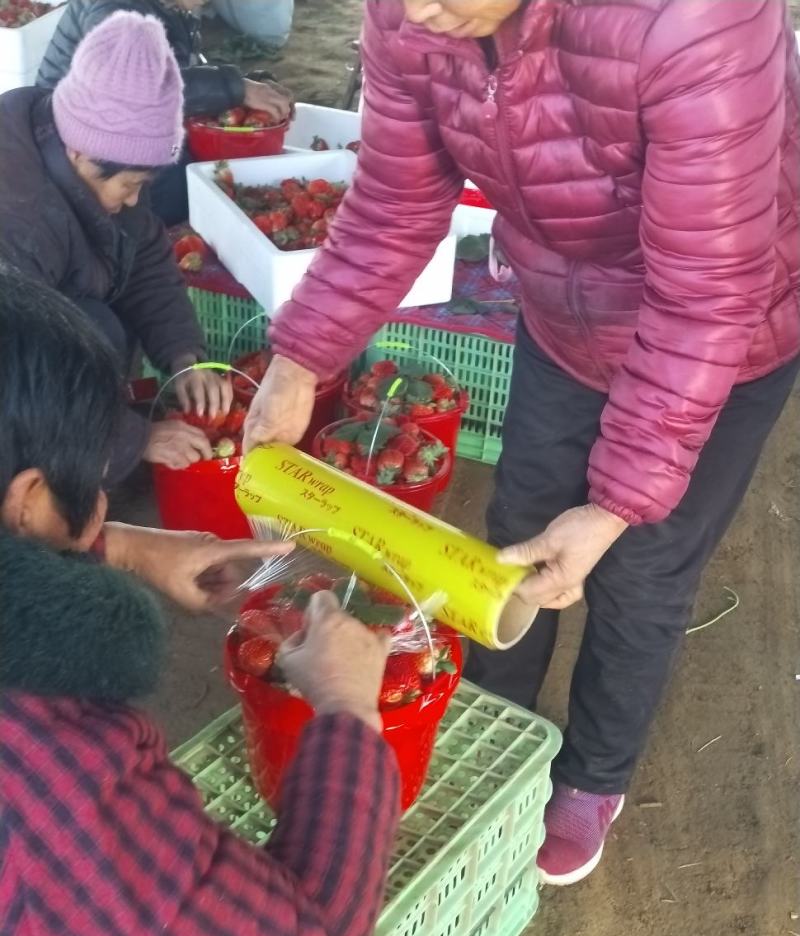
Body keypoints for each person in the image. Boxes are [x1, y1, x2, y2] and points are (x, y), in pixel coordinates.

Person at [244, 0, 800, 885]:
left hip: (723, 340)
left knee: (641, 570)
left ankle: (592, 774)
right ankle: (497, 723)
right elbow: (392, 200)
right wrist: (300, 361)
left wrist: (618, 501)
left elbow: (705, 295)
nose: (413, 7)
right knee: (520, 530)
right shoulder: (412, 14)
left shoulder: (698, 19)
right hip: (560, 315)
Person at [0, 261, 399, 936]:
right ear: (32, 499)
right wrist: (349, 712)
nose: (109, 499)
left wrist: (128, 547)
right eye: (102, 484)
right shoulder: (49, 774)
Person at [0, 11, 233, 483]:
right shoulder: (18, 219)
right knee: (94, 332)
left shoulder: (76, 140)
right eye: (129, 184)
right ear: (80, 155)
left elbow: (145, 255)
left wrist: (182, 357)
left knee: (99, 326)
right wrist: (131, 439)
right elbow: (18, 370)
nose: (133, 199)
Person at [37, 0, 293, 225]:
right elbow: (134, 90)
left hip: (114, 129)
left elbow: (177, 68)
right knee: (176, 183)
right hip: (74, 140)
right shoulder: (116, 9)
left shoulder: (172, 6)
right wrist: (235, 88)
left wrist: (241, 89)